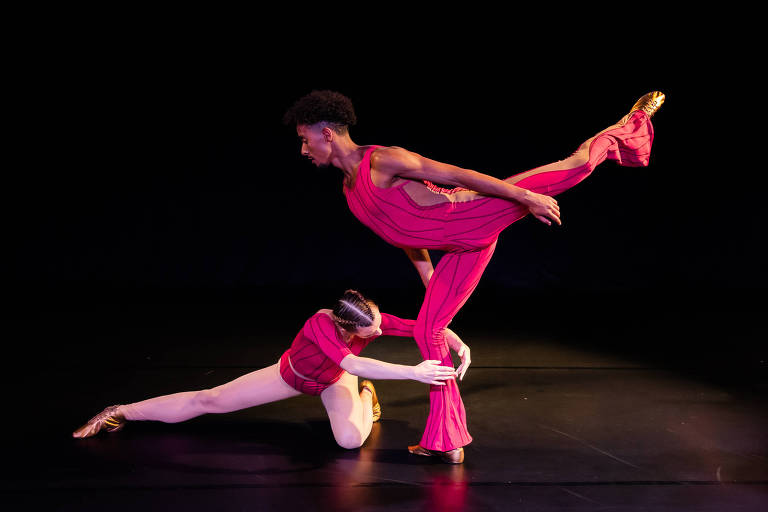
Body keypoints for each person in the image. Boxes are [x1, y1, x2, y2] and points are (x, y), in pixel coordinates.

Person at [283, 90, 665, 462]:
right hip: (464, 251)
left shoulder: (382, 160)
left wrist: (525, 197)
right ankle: (446, 441)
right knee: (428, 331)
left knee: (576, 166)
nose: (303, 149)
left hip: (476, 212)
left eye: (304, 139)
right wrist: (433, 289)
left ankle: (628, 125)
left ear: (326, 133)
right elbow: (408, 238)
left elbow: (457, 174)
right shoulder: (351, 190)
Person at [73, 290, 469, 457]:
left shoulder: (369, 319)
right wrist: (413, 372)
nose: (381, 332)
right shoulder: (321, 325)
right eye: (372, 331)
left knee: (349, 442)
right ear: (348, 327)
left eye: (379, 324)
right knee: (209, 400)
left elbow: (418, 325)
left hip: (335, 381)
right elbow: (353, 362)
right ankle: (120, 411)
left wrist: (452, 339)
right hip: (290, 376)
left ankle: (367, 398)